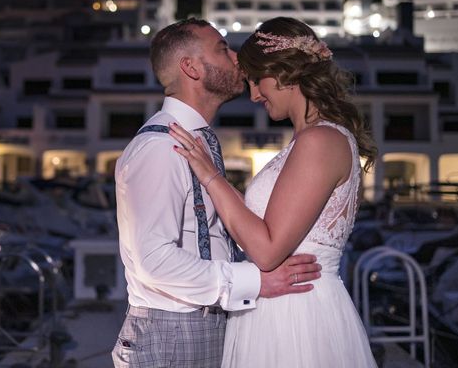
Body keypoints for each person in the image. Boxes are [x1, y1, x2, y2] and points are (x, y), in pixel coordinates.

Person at [112, 18, 322, 367]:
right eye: (222, 49)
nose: (237, 58)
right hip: (173, 333)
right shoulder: (160, 147)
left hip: (204, 323)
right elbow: (154, 261)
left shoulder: (196, 141)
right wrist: (255, 280)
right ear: (191, 68)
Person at [170, 17, 378, 367]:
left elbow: (267, 251)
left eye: (255, 80)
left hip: (297, 314)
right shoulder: (308, 138)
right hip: (280, 304)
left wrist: (210, 177)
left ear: (283, 72)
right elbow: (264, 224)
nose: (253, 95)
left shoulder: (320, 140)